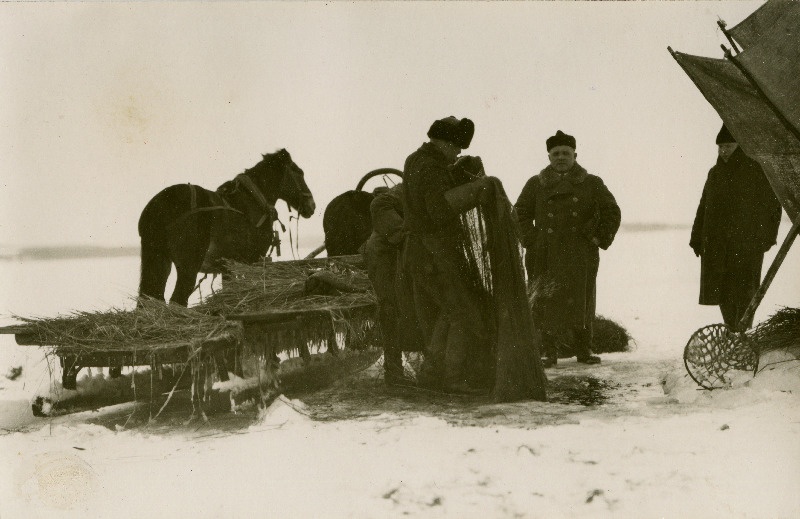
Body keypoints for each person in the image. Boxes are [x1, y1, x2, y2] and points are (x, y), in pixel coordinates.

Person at [400, 116, 494, 393]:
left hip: (420, 253)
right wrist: (473, 191)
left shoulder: (414, 160)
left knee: (449, 312)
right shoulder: (431, 167)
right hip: (435, 254)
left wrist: (453, 176)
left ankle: (430, 375)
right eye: (456, 148)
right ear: (443, 143)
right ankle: (454, 379)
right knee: (462, 313)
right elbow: (438, 211)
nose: (458, 154)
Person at [514, 130, 621, 368]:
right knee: (545, 302)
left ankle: (584, 350)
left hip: (580, 253)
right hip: (545, 253)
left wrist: (597, 238)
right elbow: (519, 212)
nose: (561, 157)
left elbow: (611, 211)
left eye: (566, 153)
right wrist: (531, 239)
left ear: (575, 155)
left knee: (581, 299)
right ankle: (547, 352)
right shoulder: (535, 184)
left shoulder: (592, 183)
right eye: (556, 153)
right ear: (549, 156)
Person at [690, 124, 782, 330]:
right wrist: (696, 238)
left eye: (728, 146)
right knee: (722, 291)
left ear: (739, 146)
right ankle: (732, 330)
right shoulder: (714, 174)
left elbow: (773, 206)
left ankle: (743, 331)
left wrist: (766, 238)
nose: (723, 151)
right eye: (720, 147)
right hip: (717, 246)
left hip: (746, 247)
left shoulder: (755, 171)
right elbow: (703, 208)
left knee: (744, 292)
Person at [362, 183, 414, 386]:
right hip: (381, 257)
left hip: (392, 256)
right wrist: (405, 233)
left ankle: (396, 371)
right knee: (389, 309)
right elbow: (398, 232)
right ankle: (394, 373)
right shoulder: (394, 197)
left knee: (398, 309)